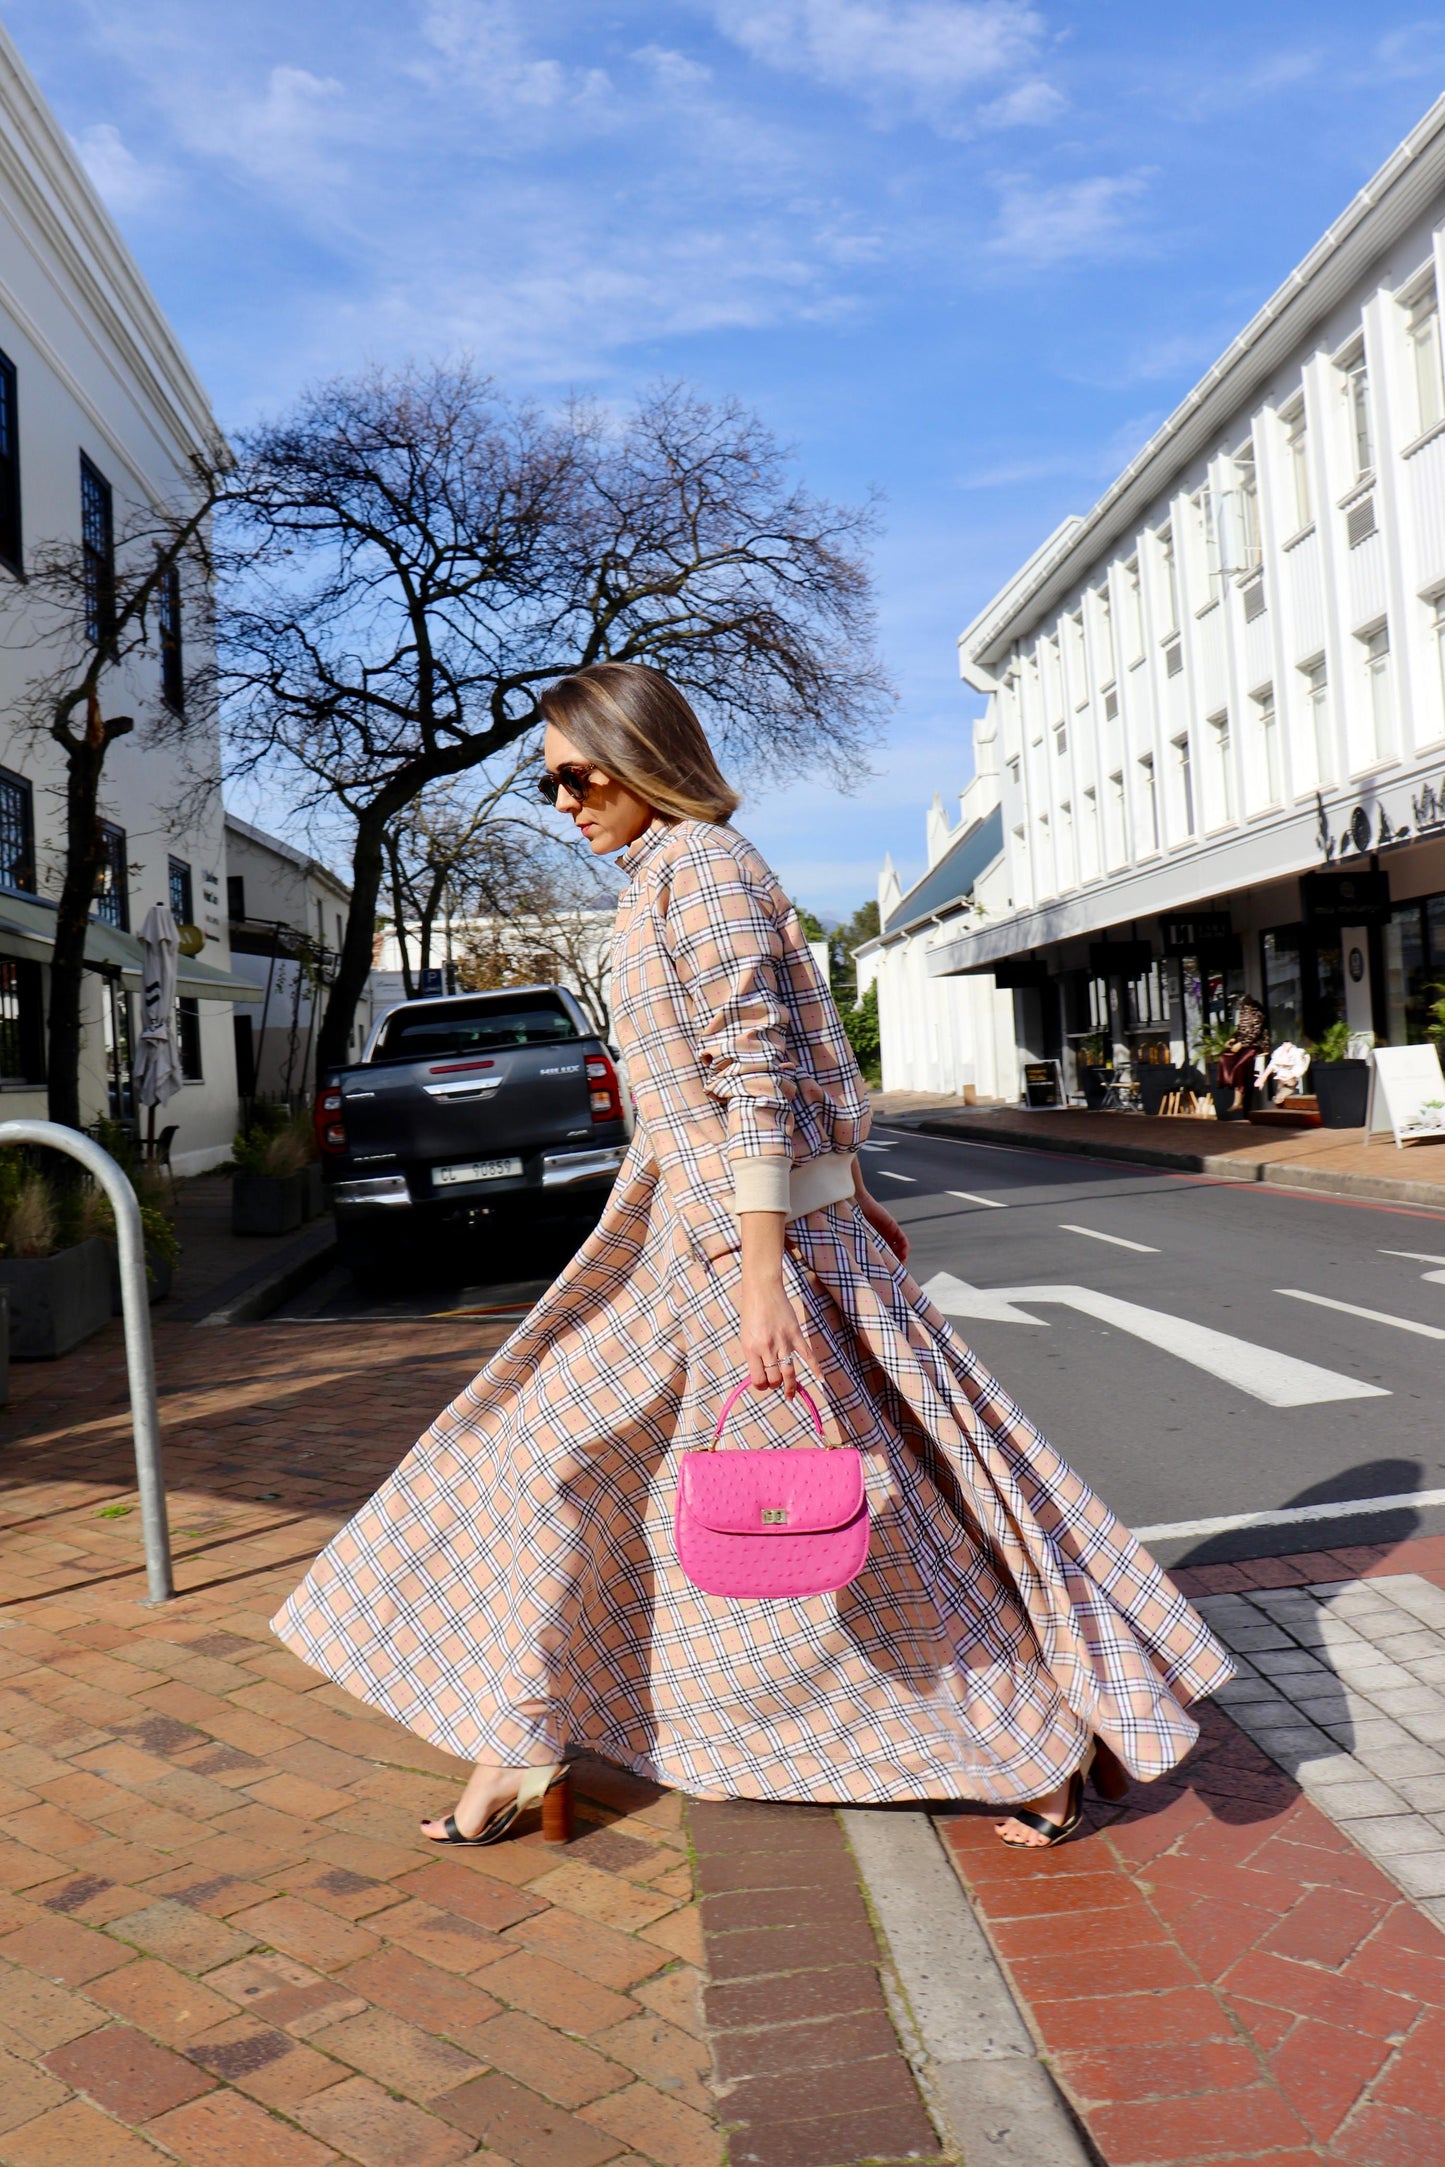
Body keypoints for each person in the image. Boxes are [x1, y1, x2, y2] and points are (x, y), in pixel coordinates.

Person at [272, 661, 1232, 1853]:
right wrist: (848, 1199)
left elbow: (759, 1074)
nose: (565, 802)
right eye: (549, 784)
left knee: (864, 1529)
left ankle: (1032, 1748)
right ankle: (518, 1747)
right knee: (559, 1470)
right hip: (692, 1244)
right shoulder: (660, 882)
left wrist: (767, 1273)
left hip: (737, 1249)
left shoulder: (706, 870)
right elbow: (780, 1064)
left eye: (579, 775)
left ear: (642, 755)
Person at [1216, 994, 1271, 1113]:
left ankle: (1238, 1101)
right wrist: (1233, 1039)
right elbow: (1241, 1030)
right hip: (1245, 1045)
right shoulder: (1243, 1012)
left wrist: (1241, 1044)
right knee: (1225, 1057)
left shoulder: (1258, 1013)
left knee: (1239, 1066)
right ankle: (1228, 1083)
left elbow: (1255, 1033)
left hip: (1256, 1046)